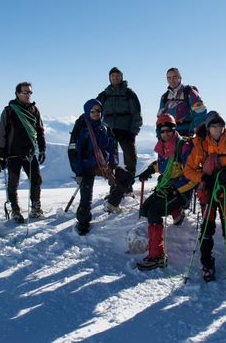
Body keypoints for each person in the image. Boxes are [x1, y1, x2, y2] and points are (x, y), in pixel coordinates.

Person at [183, 111, 226, 282]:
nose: (216, 128)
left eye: (219, 125)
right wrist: (204, 177)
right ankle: (207, 265)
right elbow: (188, 170)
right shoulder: (201, 147)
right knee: (207, 230)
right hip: (208, 194)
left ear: (223, 127)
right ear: (208, 128)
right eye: (213, 126)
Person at [136, 114, 196, 271]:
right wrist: (150, 169)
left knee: (154, 212)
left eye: (169, 130)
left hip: (181, 191)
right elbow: (163, 164)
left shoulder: (183, 147)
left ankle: (158, 256)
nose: (166, 134)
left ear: (174, 129)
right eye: (162, 131)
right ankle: (177, 212)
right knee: (146, 209)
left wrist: (176, 188)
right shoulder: (163, 146)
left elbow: (192, 175)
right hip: (167, 187)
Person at [68, 99, 132, 235]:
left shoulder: (104, 127)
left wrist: (113, 164)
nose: (96, 113)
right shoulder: (81, 128)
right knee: (86, 197)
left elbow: (113, 146)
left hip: (103, 165)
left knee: (127, 178)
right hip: (86, 167)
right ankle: (83, 222)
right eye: (92, 110)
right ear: (87, 111)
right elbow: (73, 152)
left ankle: (112, 203)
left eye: (98, 110)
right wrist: (78, 172)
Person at [0, 82, 47, 223]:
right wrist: (2, 155)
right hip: (13, 153)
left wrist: (42, 149)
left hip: (29, 152)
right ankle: (15, 210)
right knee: (13, 182)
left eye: (30, 92)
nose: (28, 95)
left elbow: (40, 131)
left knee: (36, 179)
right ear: (17, 93)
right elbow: (2, 134)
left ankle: (35, 208)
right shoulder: (9, 111)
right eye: (25, 92)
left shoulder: (34, 110)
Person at [96, 67, 143, 185]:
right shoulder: (104, 95)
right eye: (113, 76)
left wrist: (133, 132)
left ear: (121, 77)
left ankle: (128, 186)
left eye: (117, 76)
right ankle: (113, 187)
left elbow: (136, 114)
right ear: (109, 78)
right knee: (111, 161)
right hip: (108, 131)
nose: (115, 78)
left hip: (126, 131)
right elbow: (95, 111)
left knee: (130, 159)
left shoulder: (129, 93)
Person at [157, 67, 207, 137]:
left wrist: (198, 133)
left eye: (174, 77)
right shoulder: (164, 97)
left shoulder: (190, 93)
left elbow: (201, 113)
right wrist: (160, 136)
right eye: (169, 78)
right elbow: (160, 118)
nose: (172, 80)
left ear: (180, 77)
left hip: (187, 136)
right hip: (169, 137)